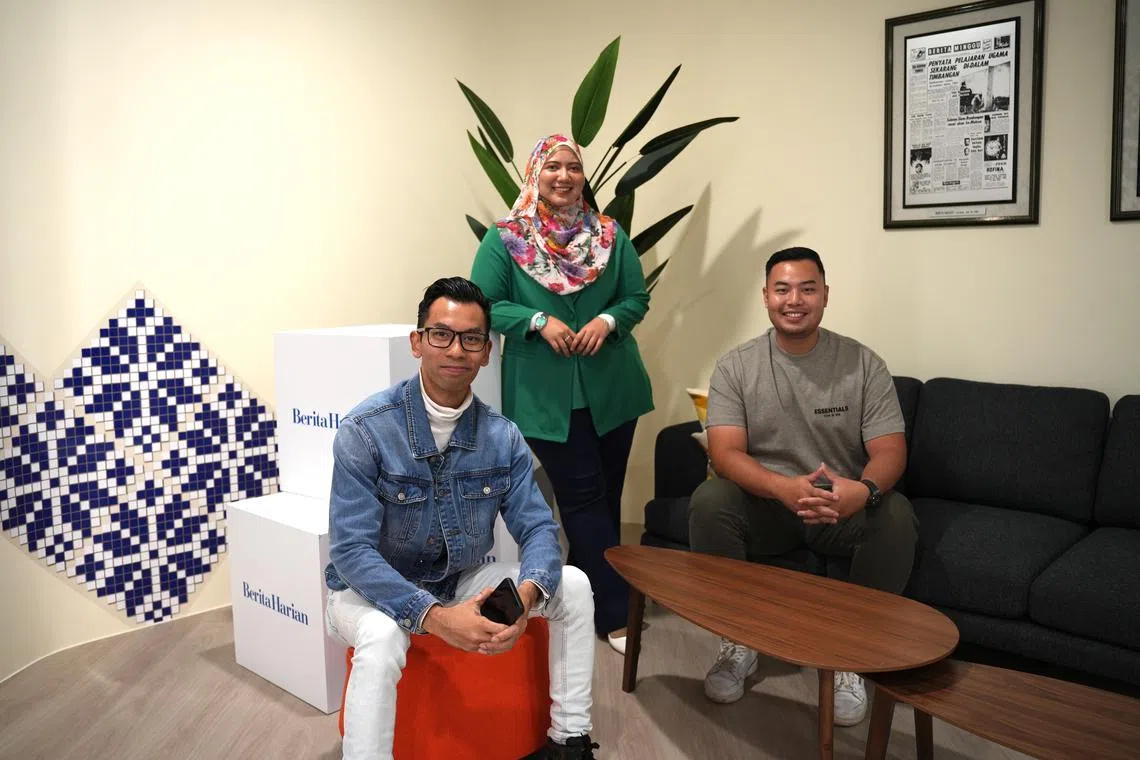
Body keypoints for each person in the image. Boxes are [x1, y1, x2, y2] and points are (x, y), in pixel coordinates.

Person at [324, 277, 600, 760]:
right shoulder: (365, 430)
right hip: (369, 590)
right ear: (417, 342)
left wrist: (526, 597)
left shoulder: (503, 436)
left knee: (573, 584)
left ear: (487, 352)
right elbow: (351, 552)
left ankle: (569, 741)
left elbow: (538, 527)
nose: (456, 349)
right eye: (441, 334)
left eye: (472, 338)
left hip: (459, 579)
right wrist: (433, 617)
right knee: (383, 635)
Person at [688, 247, 917, 727]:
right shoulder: (736, 366)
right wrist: (782, 488)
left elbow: (891, 451)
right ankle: (737, 640)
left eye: (807, 289)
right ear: (766, 297)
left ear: (825, 295)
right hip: (769, 504)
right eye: (783, 289)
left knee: (896, 515)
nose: (794, 300)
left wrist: (863, 491)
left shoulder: (863, 364)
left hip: (840, 506)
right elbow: (724, 453)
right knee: (710, 500)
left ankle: (852, 655)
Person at [470, 134, 654, 655]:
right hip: (544, 397)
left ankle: (581, 593)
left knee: (606, 495)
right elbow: (483, 303)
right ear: (535, 174)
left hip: (614, 389)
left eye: (574, 167)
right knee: (583, 497)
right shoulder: (506, 238)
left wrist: (608, 320)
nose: (564, 176)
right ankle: (615, 613)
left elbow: (635, 298)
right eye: (553, 166)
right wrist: (536, 320)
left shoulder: (609, 235)